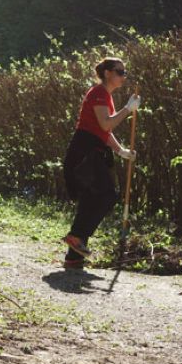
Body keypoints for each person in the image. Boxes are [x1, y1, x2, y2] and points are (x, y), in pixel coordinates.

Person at [61, 57, 140, 269]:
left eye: (125, 72)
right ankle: (76, 237)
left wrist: (121, 150)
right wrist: (127, 109)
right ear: (107, 73)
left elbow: (103, 131)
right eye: (120, 72)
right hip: (84, 153)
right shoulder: (98, 93)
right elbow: (105, 125)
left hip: (90, 151)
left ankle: (73, 257)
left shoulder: (105, 96)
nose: (124, 76)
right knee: (106, 195)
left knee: (91, 198)